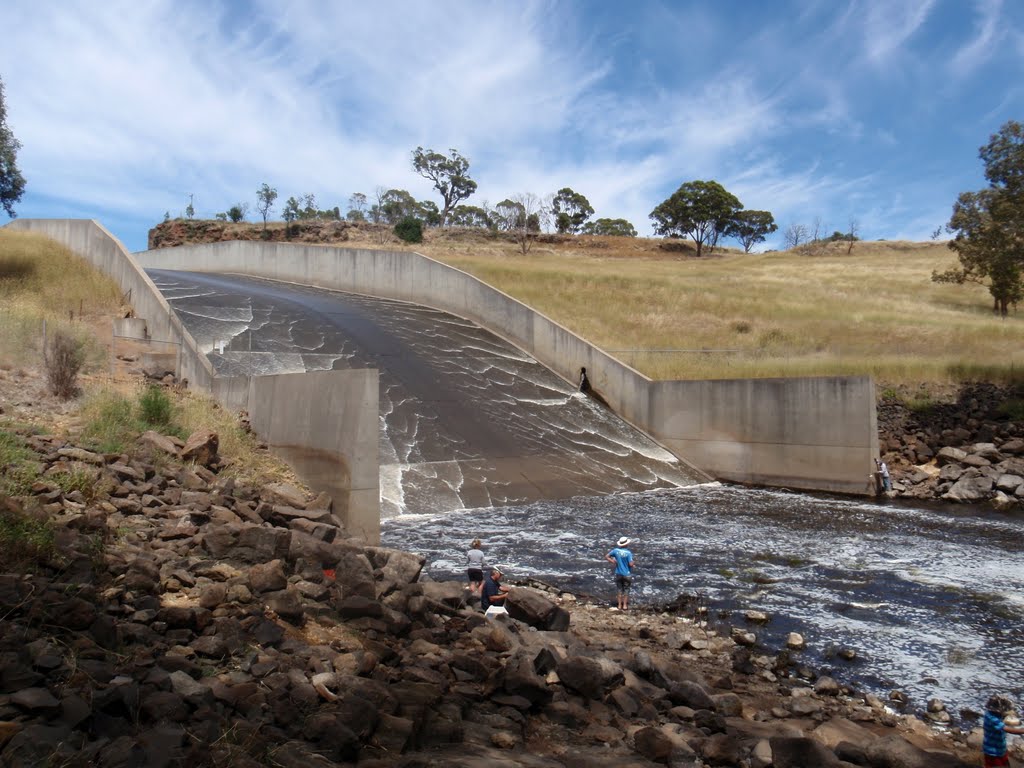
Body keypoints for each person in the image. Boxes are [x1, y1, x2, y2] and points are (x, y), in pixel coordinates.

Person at [983, 694, 1024, 767]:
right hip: (993, 751)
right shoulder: (992, 718)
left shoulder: (993, 714)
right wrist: (1021, 730)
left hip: (1000, 748)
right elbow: (1008, 729)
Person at [605, 536, 635, 611]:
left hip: (618, 573)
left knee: (619, 589)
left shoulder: (616, 551)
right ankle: (624, 605)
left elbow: (607, 556)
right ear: (626, 544)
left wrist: (613, 561)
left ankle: (619, 605)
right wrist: (633, 563)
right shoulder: (628, 553)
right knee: (626, 589)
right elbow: (630, 564)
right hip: (626, 573)